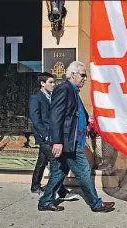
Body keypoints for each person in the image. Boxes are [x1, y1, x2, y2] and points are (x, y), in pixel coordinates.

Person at [38, 61, 115, 212]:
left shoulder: (73, 90)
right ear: (72, 75)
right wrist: (57, 142)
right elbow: (56, 117)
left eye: (86, 75)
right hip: (67, 142)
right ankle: (96, 204)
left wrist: (86, 122)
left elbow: (75, 114)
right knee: (84, 170)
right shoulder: (64, 89)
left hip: (72, 141)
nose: (85, 79)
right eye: (83, 75)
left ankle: (45, 201)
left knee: (59, 172)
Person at [29, 72, 79, 200]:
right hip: (45, 137)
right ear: (42, 83)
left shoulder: (52, 96)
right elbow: (36, 120)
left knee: (42, 161)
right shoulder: (36, 98)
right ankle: (59, 191)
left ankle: (35, 186)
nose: (53, 84)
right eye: (50, 82)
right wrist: (46, 136)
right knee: (56, 162)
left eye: (54, 82)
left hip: (53, 136)